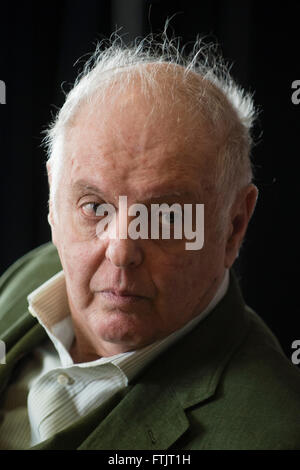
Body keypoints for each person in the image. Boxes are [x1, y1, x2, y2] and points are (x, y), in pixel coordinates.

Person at [0, 35, 299, 451]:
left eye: (166, 217)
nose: (121, 251)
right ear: (53, 199)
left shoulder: (275, 432)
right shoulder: (34, 271)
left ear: (234, 225)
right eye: (94, 206)